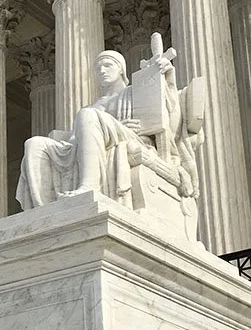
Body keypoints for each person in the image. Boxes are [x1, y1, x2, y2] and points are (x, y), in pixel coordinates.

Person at [16, 45, 202, 211]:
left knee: (87, 115)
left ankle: (90, 185)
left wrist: (168, 78)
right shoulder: (92, 106)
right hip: (88, 143)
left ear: (121, 69)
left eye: (107, 65)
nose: (102, 71)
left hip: (132, 137)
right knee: (34, 144)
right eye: (98, 68)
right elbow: (74, 141)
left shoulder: (135, 92)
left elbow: (170, 115)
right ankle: (47, 210)